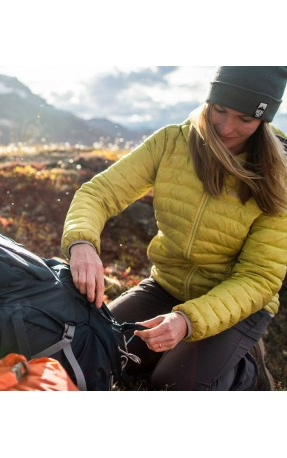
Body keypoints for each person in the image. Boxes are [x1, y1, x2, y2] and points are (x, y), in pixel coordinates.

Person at [61, 66, 287, 390]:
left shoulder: (279, 172)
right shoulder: (171, 143)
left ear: (263, 121)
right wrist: (81, 243)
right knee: (93, 344)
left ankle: (247, 374)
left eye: (245, 119)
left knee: (171, 384)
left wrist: (187, 320)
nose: (226, 128)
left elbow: (259, 277)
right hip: (167, 286)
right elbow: (99, 193)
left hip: (238, 304)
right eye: (219, 109)